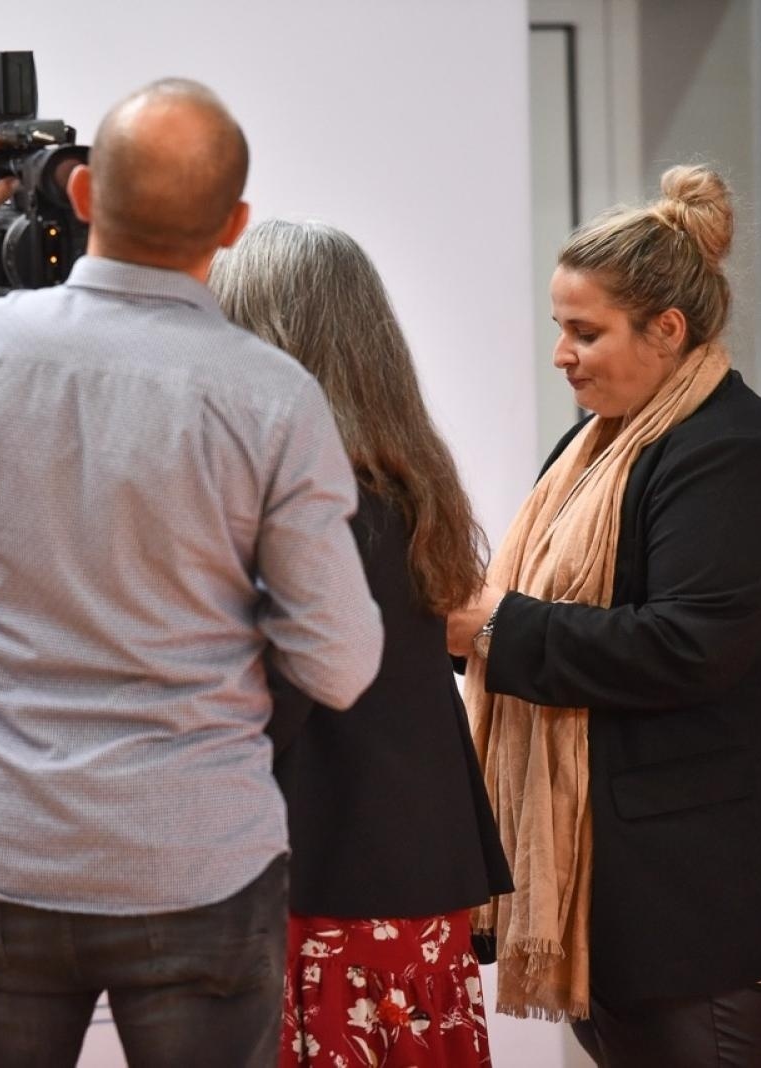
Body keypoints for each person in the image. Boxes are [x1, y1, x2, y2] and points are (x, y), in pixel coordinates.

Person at [0, 80, 383, 1067]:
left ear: (81, 196)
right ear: (236, 225)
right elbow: (338, 663)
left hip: (0, 860)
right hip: (199, 866)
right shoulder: (274, 397)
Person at [447, 165, 761, 1065]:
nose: (561, 354)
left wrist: (489, 627)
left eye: (584, 332)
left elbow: (687, 649)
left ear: (668, 329)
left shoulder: (741, 456)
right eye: (559, 330)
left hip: (713, 895)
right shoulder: (602, 442)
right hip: (634, 887)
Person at [209, 219, 513, 1068]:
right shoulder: (407, 485)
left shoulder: (311, 499)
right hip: (411, 875)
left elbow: (272, 699)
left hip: (328, 886)